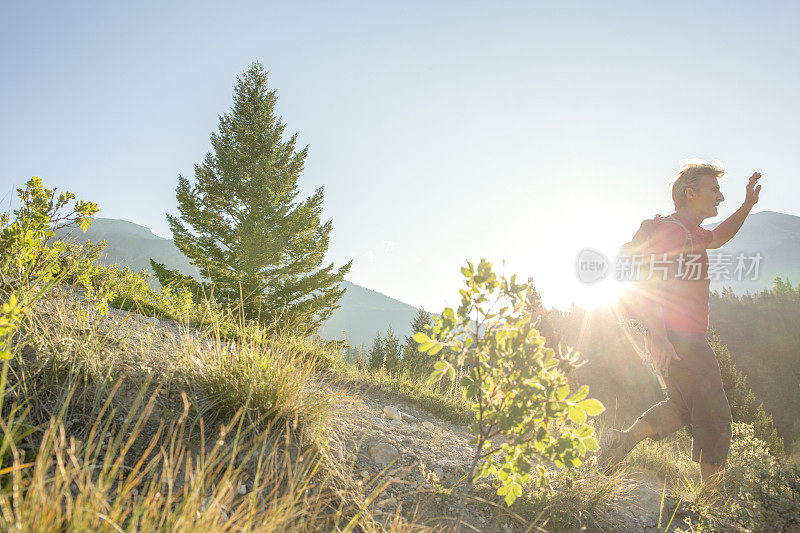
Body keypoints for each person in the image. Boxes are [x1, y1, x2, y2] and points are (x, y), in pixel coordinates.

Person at [598, 160, 763, 490]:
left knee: (681, 407)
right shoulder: (673, 231)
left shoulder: (689, 230)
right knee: (714, 415)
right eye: (714, 190)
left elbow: (718, 238)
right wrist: (658, 336)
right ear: (691, 193)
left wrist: (747, 205)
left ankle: (620, 443)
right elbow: (650, 280)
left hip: (677, 336)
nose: (720, 197)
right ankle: (711, 497)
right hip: (681, 337)